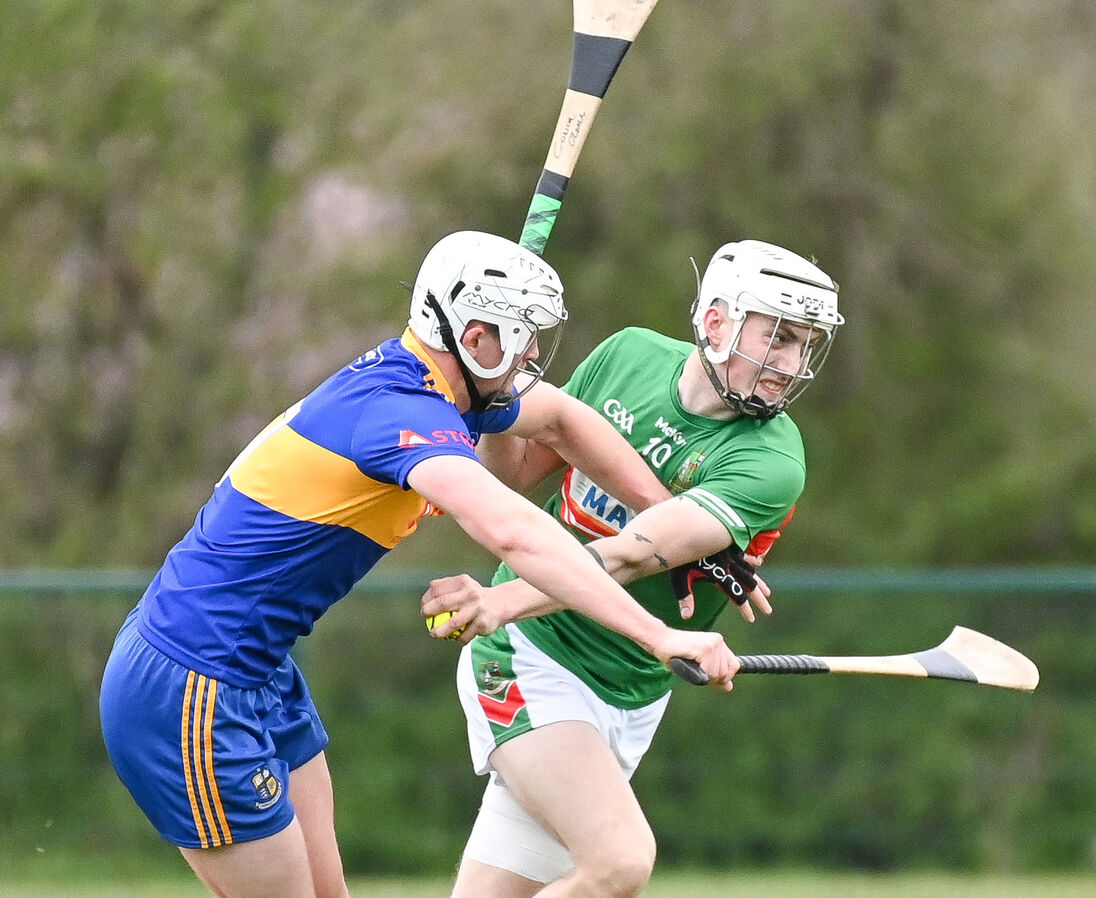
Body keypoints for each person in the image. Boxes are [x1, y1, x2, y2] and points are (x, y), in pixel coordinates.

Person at [98, 230, 739, 898]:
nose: (535, 355)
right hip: (190, 681)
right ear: (475, 335)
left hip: (257, 671)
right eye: (523, 335)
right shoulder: (399, 413)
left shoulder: (433, 390)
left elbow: (558, 419)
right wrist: (659, 635)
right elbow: (514, 532)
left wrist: (673, 520)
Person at [422, 239, 845, 898]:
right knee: (620, 862)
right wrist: (498, 395)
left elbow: (633, 550)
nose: (789, 365)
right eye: (778, 338)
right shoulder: (628, 356)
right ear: (715, 323)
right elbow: (515, 474)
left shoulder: (773, 462)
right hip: (530, 654)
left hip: (631, 694)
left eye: (803, 345)